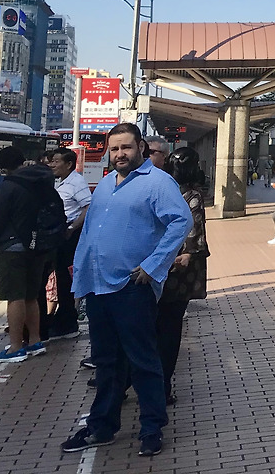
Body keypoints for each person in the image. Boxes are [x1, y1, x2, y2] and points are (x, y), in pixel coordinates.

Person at [61, 122, 192, 458]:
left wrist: (153, 265)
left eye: (126, 147)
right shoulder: (106, 184)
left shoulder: (158, 183)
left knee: (143, 360)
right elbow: (89, 233)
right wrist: (81, 280)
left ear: (141, 149)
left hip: (132, 287)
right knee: (106, 362)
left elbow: (181, 221)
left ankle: (151, 428)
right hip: (98, 288)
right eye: (115, 148)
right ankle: (102, 427)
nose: (120, 154)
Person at [0, 145, 63, 363]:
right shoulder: (42, 180)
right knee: (31, 296)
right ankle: (35, 341)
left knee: (15, 297)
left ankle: (15, 347)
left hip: (13, 247)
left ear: (2, 167)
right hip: (38, 246)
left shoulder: (9, 185)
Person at [159, 147, 209, 406]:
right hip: (180, 268)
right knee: (169, 327)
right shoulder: (192, 195)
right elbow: (194, 228)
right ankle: (161, 386)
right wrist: (189, 252)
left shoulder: (162, 189)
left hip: (159, 263)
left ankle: (130, 381)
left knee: (156, 325)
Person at [42, 148, 91, 340]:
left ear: (69, 164)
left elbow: (88, 207)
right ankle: (60, 319)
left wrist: (72, 228)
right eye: (51, 161)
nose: (52, 165)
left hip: (70, 236)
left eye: (56, 161)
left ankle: (68, 322)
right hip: (58, 235)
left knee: (66, 279)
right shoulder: (59, 181)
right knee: (59, 278)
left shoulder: (76, 182)